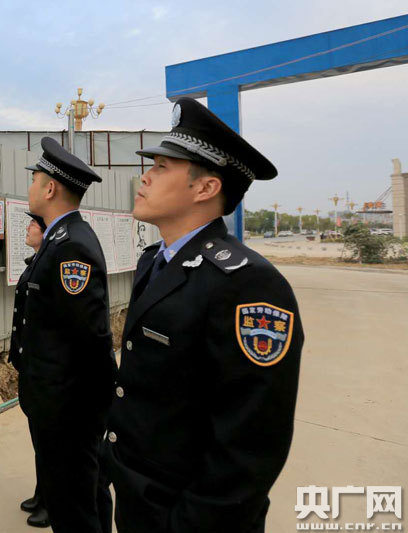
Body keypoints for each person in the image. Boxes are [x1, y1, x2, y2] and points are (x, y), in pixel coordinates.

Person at [101, 97, 304, 532]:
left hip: (188, 515)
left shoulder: (248, 284)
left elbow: (250, 444)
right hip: (139, 495)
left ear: (205, 188)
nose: (145, 177)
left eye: (161, 167)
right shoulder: (155, 259)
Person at [17, 137, 116, 532]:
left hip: (68, 409)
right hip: (58, 403)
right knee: (84, 495)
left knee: (73, 507)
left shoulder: (71, 245)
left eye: (34, 179)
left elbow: (90, 338)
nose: (30, 187)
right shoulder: (60, 237)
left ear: (50, 189)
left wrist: (84, 414)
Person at [9, 212, 50, 529]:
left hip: (43, 368)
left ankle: (52, 500)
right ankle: (42, 491)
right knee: (39, 437)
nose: (28, 228)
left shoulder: (48, 265)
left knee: (48, 440)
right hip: (30, 363)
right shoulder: (35, 262)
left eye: (33, 224)